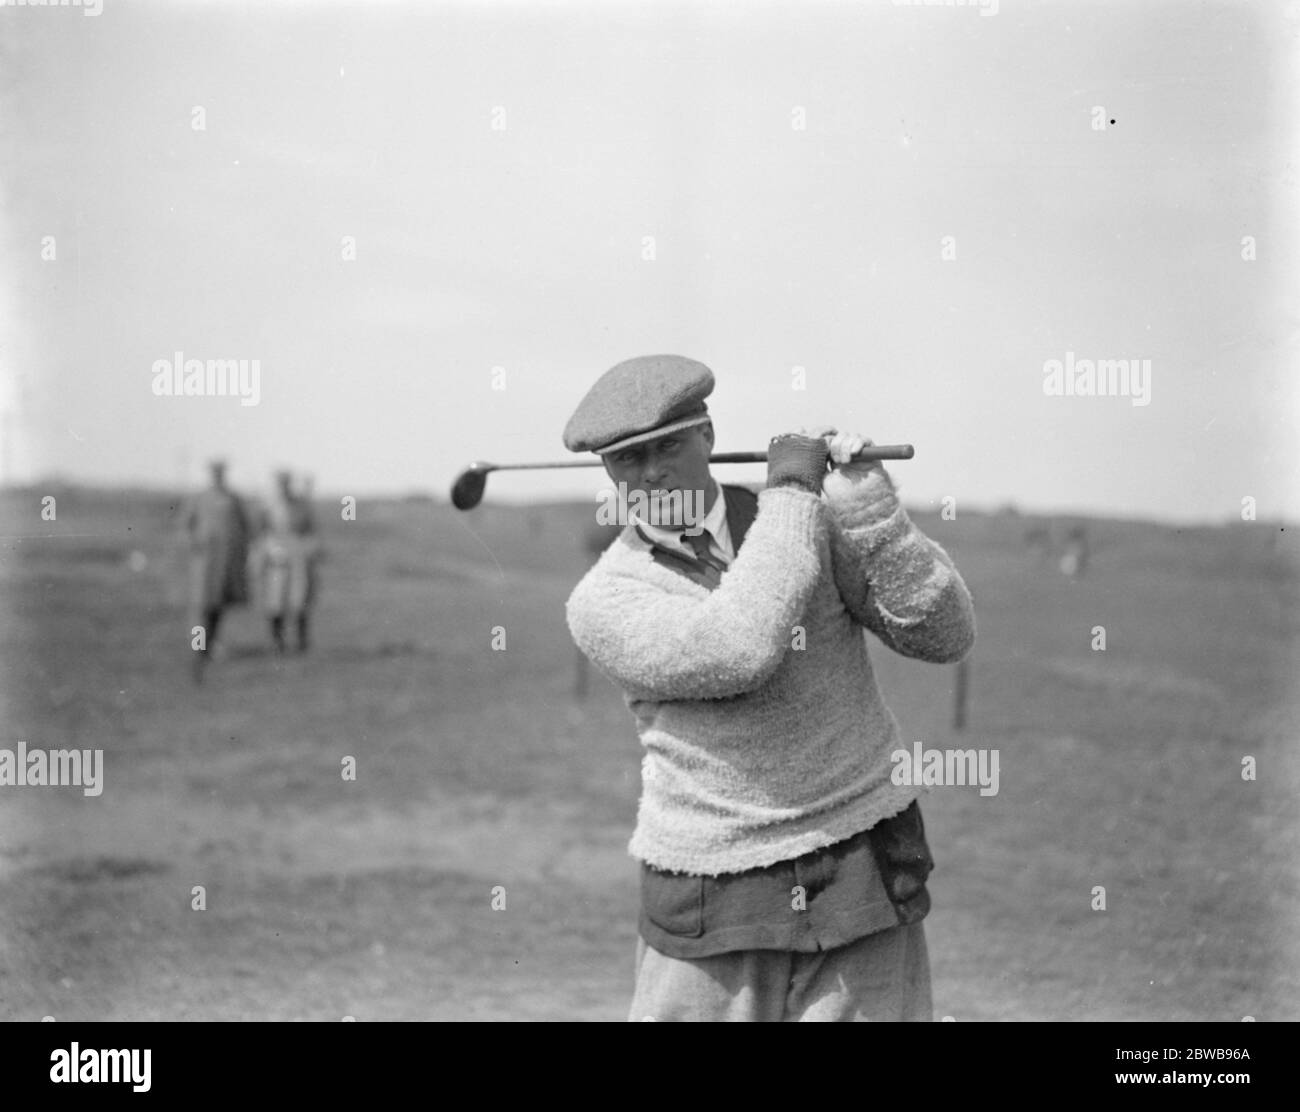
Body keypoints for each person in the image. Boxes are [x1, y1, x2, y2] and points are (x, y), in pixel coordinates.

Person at [563, 354, 976, 1022]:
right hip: (713, 893)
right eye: (626, 461)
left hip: (860, 869)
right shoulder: (605, 599)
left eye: (667, 445)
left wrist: (870, 509)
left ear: (708, 436)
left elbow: (943, 635)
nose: (651, 473)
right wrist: (791, 496)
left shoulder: (806, 521)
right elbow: (740, 647)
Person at [184, 459, 252, 681]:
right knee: (201, 608)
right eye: (214, 473)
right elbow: (186, 525)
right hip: (205, 563)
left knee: (218, 606)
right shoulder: (200, 498)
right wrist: (196, 542)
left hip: (226, 563)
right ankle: (198, 648)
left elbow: (246, 527)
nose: (217, 476)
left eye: (220, 473)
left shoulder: (233, 499)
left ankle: (211, 645)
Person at [248, 470, 322, 654]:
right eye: (280, 483)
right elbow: (259, 534)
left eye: (286, 483)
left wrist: (308, 549)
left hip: (298, 558)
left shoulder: (302, 505)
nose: (283, 487)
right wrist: (268, 549)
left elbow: (312, 531)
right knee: (275, 602)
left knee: (300, 599)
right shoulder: (267, 506)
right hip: (276, 560)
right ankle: (277, 643)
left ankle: (302, 642)